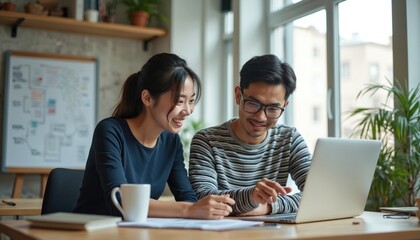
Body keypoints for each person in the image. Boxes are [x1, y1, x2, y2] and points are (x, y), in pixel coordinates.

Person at [74, 53, 235, 219]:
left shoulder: (171, 141)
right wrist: (188, 210)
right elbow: (121, 203)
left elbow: (187, 197)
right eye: (180, 101)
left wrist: (202, 208)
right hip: (91, 232)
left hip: (135, 232)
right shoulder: (110, 131)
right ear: (148, 98)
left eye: (191, 100)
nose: (187, 110)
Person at [188, 54, 312, 216]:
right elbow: (203, 199)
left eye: (273, 109)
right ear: (238, 96)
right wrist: (251, 197)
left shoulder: (289, 140)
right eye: (253, 104)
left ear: (284, 106)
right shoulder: (207, 141)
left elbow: (317, 194)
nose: (261, 117)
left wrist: (267, 207)